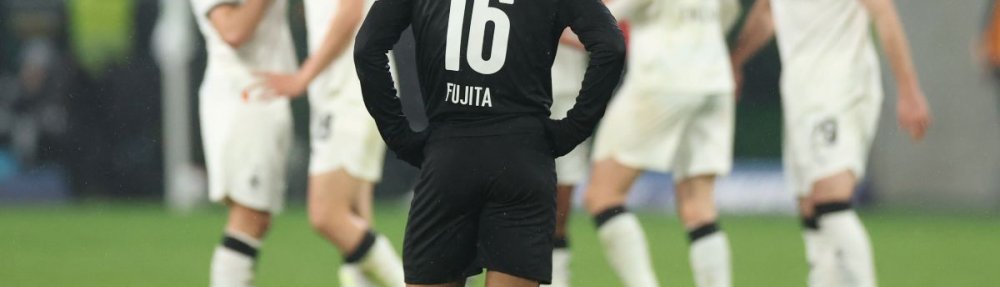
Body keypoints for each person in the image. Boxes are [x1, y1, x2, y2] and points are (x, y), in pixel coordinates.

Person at [353, 0, 626, 285]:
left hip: (448, 159)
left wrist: (400, 136)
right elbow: (611, 45)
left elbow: (367, 48)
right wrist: (571, 130)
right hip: (521, 159)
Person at [731, 0, 932, 286]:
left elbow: (883, 12)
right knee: (812, 212)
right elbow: (766, 13)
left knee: (830, 198)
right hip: (800, 91)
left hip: (841, 87)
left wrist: (908, 89)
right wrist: (735, 61)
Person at [580, 0, 741, 286]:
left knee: (603, 195)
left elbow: (603, 19)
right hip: (714, 81)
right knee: (699, 207)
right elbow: (729, 11)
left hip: (663, 79)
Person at [256, 0, 405, 285]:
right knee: (355, 224)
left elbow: (349, 13)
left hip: (349, 93)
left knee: (327, 215)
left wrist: (303, 77)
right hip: (353, 91)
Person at [189, 0, 295, 286]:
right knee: (249, 217)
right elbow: (233, 30)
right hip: (243, 98)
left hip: (260, 95)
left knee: (256, 219)